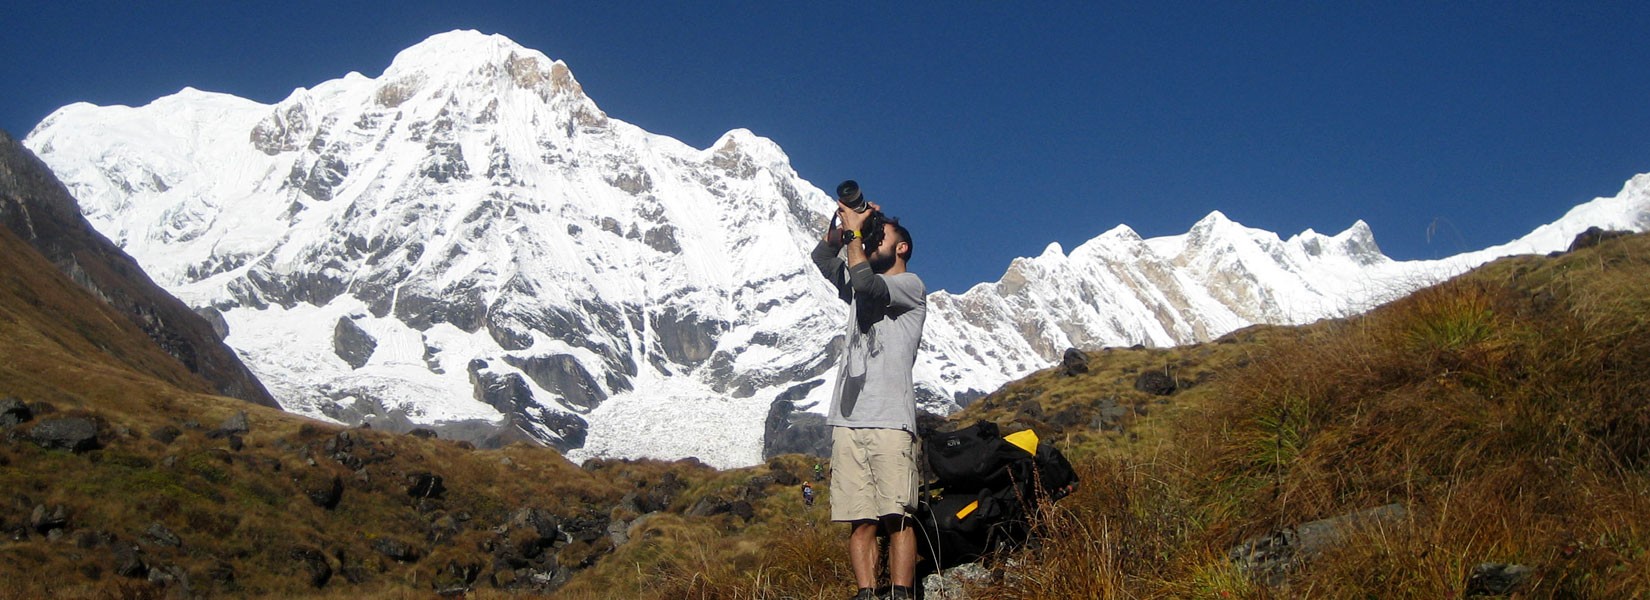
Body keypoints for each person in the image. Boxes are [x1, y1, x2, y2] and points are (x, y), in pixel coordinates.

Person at [810, 195, 926, 600]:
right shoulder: (863, 287)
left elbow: (864, 281)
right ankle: (865, 594)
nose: (875, 239)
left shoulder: (909, 286)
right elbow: (824, 262)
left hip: (891, 419)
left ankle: (900, 593)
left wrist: (858, 234)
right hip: (848, 419)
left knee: (898, 516)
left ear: (902, 247)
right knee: (860, 520)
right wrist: (838, 233)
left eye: (883, 234)